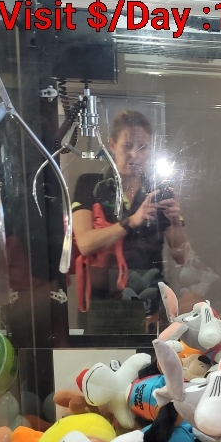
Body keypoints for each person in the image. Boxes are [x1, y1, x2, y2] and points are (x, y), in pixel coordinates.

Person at [71, 110, 189, 308]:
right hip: (104, 301)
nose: (135, 154)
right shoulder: (90, 185)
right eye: (127, 146)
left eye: (142, 147)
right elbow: (84, 243)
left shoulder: (158, 191)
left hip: (150, 300)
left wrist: (176, 222)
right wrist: (131, 222)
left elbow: (182, 257)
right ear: (112, 145)